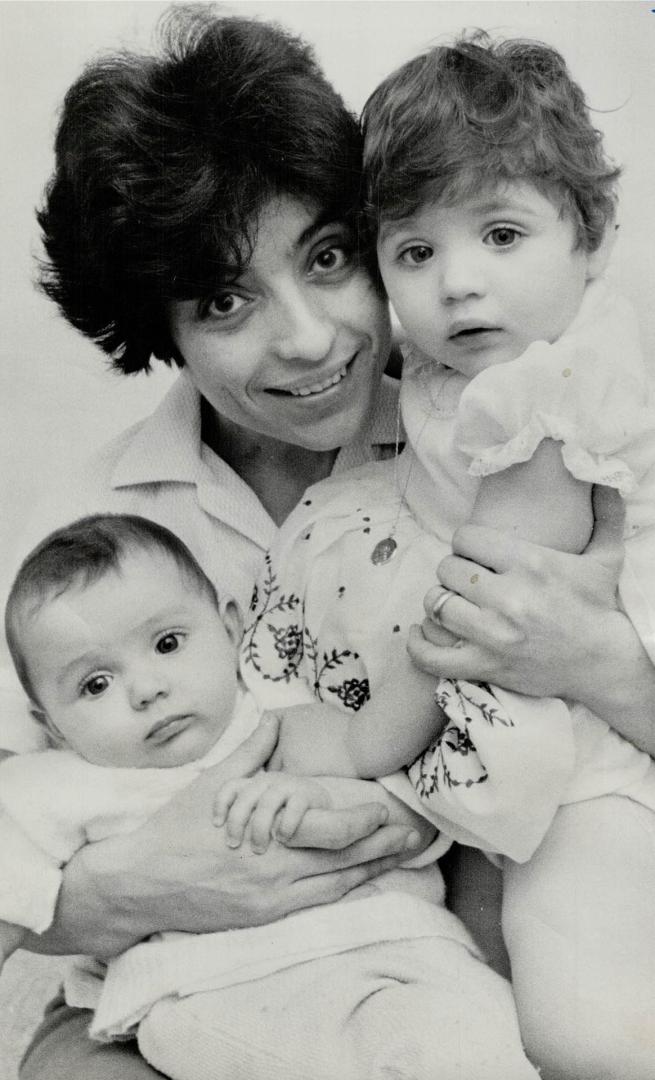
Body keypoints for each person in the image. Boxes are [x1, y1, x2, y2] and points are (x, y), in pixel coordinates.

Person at [9, 10, 653, 1080]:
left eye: (327, 256)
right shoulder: (89, 534)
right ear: (156, 326)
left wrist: (606, 668)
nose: (306, 338)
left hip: (475, 936)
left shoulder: (512, 437)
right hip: (196, 975)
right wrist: (132, 891)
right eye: (225, 300)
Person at [237, 34, 655, 1080]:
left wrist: (357, 748)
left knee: (581, 1026)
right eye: (414, 254)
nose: (458, 286)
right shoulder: (449, 358)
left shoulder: (553, 395)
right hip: (508, 691)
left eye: (502, 234)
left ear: (592, 234)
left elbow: (479, 613)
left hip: (584, 729)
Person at [0, 512, 538, 1079]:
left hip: (401, 948)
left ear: (229, 629)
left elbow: (387, 765)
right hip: (215, 987)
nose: (146, 689)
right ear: (53, 725)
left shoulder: (280, 722)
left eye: (167, 643)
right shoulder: (58, 785)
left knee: (487, 1044)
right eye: (96, 684)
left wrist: (314, 797)